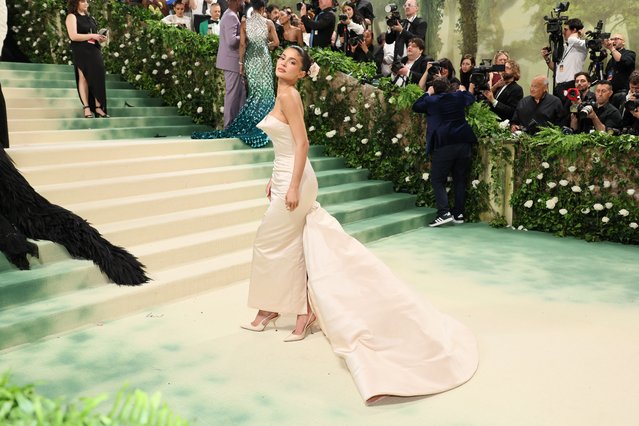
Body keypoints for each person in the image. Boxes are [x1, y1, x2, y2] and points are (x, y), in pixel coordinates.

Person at [242, 45, 478, 403]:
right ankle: (299, 312)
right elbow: (286, 146)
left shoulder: (290, 96)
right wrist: (275, 179)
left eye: (292, 62)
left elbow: (303, 143)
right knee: (290, 244)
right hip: (285, 174)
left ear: (302, 73)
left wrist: (291, 184)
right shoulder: (282, 92)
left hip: (298, 180)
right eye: (283, 58)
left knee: (267, 242)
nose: (283, 64)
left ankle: (275, 307)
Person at [193, 0, 278, 147]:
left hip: (245, 61)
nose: (243, 3)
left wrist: (247, 36)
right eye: (241, 1)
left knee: (244, 94)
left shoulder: (238, 18)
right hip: (239, 61)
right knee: (235, 93)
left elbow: (241, 43)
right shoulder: (233, 17)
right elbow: (233, 41)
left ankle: (239, 124)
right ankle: (230, 126)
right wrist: (255, 38)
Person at [412, 78, 477, 227]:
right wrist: (462, 90)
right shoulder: (458, 96)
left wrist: (427, 94)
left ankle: (444, 213)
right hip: (464, 143)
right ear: (449, 88)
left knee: (437, 179)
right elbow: (470, 97)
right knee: (460, 179)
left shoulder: (432, 101)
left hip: (445, 144)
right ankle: (458, 214)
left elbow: (416, 106)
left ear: (434, 88)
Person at [65, 0, 109, 119]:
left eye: (87, 1)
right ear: (76, 3)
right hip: (81, 50)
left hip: (94, 49)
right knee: (83, 77)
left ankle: (98, 107)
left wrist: (100, 38)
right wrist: (92, 36)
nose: (86, 4)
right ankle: (87, 108)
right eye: (83, 1)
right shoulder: (71, 16)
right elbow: (73, 36)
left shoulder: (90, 17)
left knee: (98, 76)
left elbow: (93, 34)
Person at [540, 18, 586, 99]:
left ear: (574, 30)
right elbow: (555, 68)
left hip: (571, 85)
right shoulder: (564, 47)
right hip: (559, 87)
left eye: (566, 30)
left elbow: (572, 39)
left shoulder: (580, 45)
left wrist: (577, 33)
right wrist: (547, 59)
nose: (563, 32)